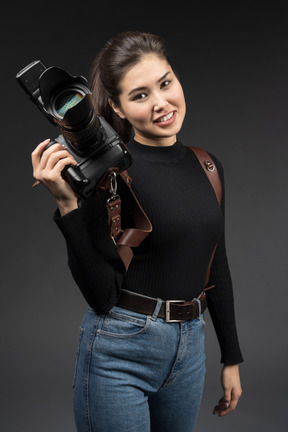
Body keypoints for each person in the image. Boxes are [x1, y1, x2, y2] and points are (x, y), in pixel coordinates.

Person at [31, 31, 243, 432]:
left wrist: (230, 357)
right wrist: (67, 205)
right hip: (120, 351)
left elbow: (217, 263)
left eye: (165, 83)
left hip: (190, 349)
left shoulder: (207, 166)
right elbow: (100, 296)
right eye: (140, 95)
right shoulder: (108, 172)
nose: (162, 103)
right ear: (118, 107)